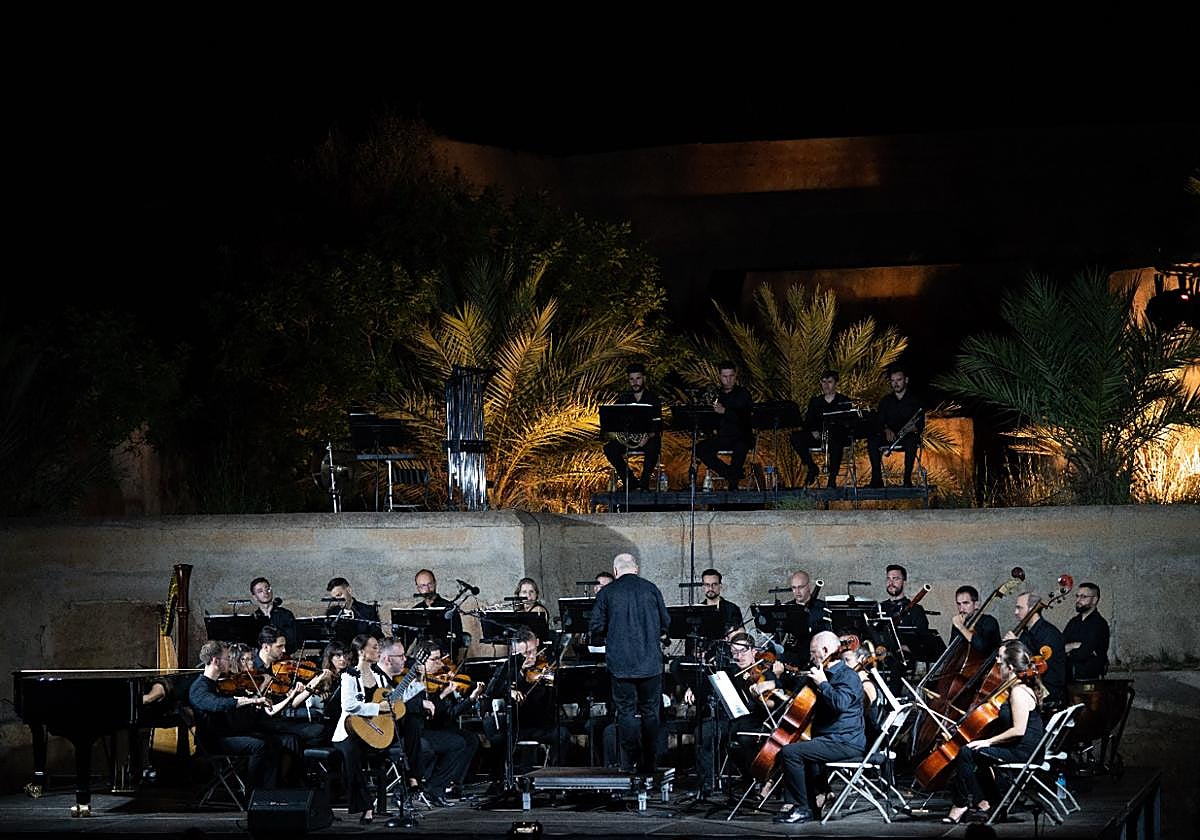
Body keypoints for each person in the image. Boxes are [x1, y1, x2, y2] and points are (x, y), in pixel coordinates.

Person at [944, 640, 1046, 824]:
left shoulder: (1018, 692)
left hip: (1025, 752)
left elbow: (1018, 730)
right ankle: (992, 804)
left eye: (1000, 658)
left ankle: (962, 803)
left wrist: (988, 742)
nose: (997, 661)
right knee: (978, 756)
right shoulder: (1018, 687)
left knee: (967, 752)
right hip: (1025, 749)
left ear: (1011, 666)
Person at [590, 553, 670, 780]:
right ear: (636, 568)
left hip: (621, 664)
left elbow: (596, 626)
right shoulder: (651, 588)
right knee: (650, 712)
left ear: (615, 571)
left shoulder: (607, 592)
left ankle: (630, 760)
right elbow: (666, 622)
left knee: (625, 711)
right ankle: (649, 762)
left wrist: (612, 634)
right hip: (650, 663)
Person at [773, 631, 866, 824]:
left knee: (790, 752)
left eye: (813, 652)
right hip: (827, 739)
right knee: (799, 750)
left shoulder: (848, 677)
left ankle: (802, 808)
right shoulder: (819, 673)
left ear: (825, 651)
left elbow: (840, 704)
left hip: (846, 741)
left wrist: (823, 683)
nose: (811, 657)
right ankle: (810, 808)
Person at [187, 640, 282, 797]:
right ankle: (253, 796)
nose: (230, 661)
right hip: (213, 741)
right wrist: (252, 700)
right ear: (215, 661)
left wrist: (253, 699)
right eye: (226, 658)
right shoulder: (199, 688)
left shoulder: (217, 683)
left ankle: (270, 792)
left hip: (227, 734)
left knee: (273, 741)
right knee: (258, 746)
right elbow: (218, 705)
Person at [332, 634, 395, 824]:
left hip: (372, 730)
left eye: (378, 647)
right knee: (352, 752)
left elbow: (388, 699)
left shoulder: (379, 676)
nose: (378, 651)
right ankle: (366, 806)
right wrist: (377, 708)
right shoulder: (348, 676)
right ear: (361, 651)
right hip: (348, 730)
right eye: (374, 647)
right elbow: (349, 706)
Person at [602, 363, 663, 491]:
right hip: (628, 438)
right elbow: (615, 420)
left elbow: (658, 424)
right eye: (632, 379)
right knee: (609, 449)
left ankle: (644, 484)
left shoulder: (653, 398)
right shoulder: (623, 399)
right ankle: (629, 481)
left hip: (647, 438)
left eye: (638, 378)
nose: (635, 382)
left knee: (654, 446)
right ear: (629, 380)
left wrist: (648, 436)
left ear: (644, 379)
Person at [789, 370, 856, 487]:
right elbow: (808, 422)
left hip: (836, 436)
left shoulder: (844, 400)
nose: (826, 385)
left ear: (836, 384)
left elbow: (848, 423)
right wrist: (812, 430)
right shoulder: (815, 401)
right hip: (819, 436)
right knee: (796, 437)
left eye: (829, 382)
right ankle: (812, 467)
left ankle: (832, 478)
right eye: (823, 382)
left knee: (836, 441)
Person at [695, 360, 754, 490]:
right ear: (720, 377)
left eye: (731, 376)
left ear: (735, 376)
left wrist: (725, 411)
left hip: (741, 435)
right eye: (725, 376)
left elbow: (746, 418)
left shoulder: (743, 394)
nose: (728, 380)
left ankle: (733, 482)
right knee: (699, 448)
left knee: (741, 446)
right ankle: (730, 474)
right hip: (723, 437)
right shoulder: (716, 395)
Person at [1005, 592, 1067, 709]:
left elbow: (1037, 665)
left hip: (1047, 694)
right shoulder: (1026, 632)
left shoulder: (1049, 633)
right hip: (1031, 689)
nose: (1015, 612)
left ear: (1033, 609)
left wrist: (1017, 645)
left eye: (1019, 608)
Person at [867, 367, 924, 488]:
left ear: (906, 380)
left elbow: (920, 425)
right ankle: (876, 480)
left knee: (911, 442)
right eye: (893, 381)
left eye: (899, 380)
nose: (896, 383)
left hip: (907, 436)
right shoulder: (885, 401)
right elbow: (879, 422)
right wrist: (886, 430)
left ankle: (907, 481)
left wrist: (912, 428)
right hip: (890, 435)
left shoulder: (915, 400)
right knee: (872, 440)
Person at [413, 569, 467, 654]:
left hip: (444, 656)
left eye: (429, 584)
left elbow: (457, 638)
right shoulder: (416, 610)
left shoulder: (449, 608)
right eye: (423, 586)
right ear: (418, 588)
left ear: (435, 583)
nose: (427, 589)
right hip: (421, 656)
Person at [1063, 582, 1110, 680]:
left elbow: (1083, 653)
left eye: (1083, 597)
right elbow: (1060, 646)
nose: (1078, 600)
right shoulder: (1073, 622)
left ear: (1094, 600)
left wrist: (1070, 650)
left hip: (1089, 680)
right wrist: (1074, 645)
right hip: (1069, 676)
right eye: (1077, 596)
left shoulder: (1099, 624)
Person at [784, 570, 832, 656]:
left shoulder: (823, 608)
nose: (797, 592)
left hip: (816, 655)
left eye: (801, 587)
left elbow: (829, 636)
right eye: (794, 588)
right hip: (790, 654)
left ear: (808, 587)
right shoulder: (786, 608)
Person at [951, 585, 1003, 657]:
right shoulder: (959, 622)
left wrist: (961, 627)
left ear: (976, 605)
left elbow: (983, 648)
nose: (961, 609)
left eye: (966, 603)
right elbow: (952, 652)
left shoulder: (989, 621)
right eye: (959, 604)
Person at [249, 577, 298, 653]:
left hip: (283, 658)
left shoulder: (285, 614)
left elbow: (293, 642)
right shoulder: (253, 619)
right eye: (260, 591)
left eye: (267, 589)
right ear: (254, 597)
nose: (265, 593)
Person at [701, 568, 745, 637]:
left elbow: (739, 635)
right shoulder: (697, 610)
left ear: (720, 586)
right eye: (707, 585)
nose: (710, 588)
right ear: (703, 587)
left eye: (714, 584)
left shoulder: (732, 609)